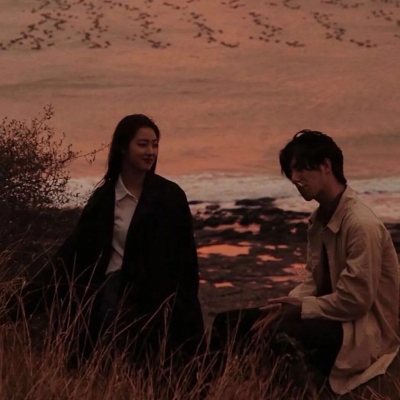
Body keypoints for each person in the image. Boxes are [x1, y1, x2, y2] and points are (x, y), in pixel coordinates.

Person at [210, 130, 399, 395]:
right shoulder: (319, 220)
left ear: (326, 165)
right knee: (229, 323)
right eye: (291, 172)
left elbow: (356, 301)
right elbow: (312, 280)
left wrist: (300, 309)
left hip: (361, 329)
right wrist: (285, 305)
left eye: (301, 169)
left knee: (280, 334)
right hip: (330, 314)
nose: (295, 179)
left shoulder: (360, 224)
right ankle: (211, 392)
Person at [53, 114, 205, 368]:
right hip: (111, 294)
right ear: (123, 147)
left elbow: (186, 259)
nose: (150, 152)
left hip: (156, 297)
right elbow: (75, 253)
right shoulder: (104, 199)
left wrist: (186, 308)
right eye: (142, 144)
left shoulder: (170, 196)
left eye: (155, 145)